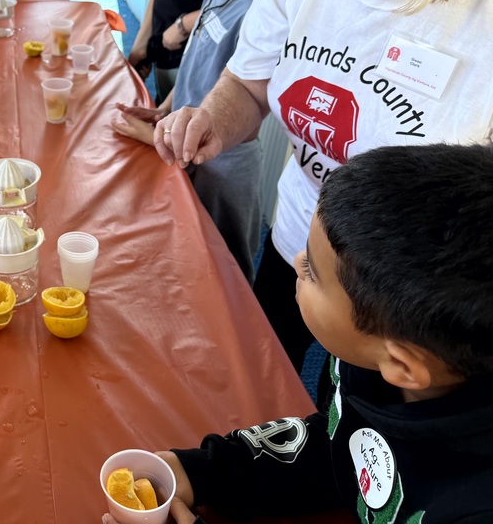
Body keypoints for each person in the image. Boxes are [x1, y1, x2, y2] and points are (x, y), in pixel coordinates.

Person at [154, 0, 493, 377]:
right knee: (259, 402)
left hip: (405, 324)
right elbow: (251, 82)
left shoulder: (479, 20)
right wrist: (211, 118)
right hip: (291, 253)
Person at [104, 143, 493, 524]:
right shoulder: (375, 355)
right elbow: (340, 446)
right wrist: (204, 471)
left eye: (312, 272)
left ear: (401, 364)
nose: (296, 261)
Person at [113, 0, 293, 282]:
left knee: (226, 268)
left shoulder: (258, 13)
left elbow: (239, 98)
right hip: (183, 136)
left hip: (225, 164)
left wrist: (153, 136)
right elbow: (195, 61)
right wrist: (165, 110)